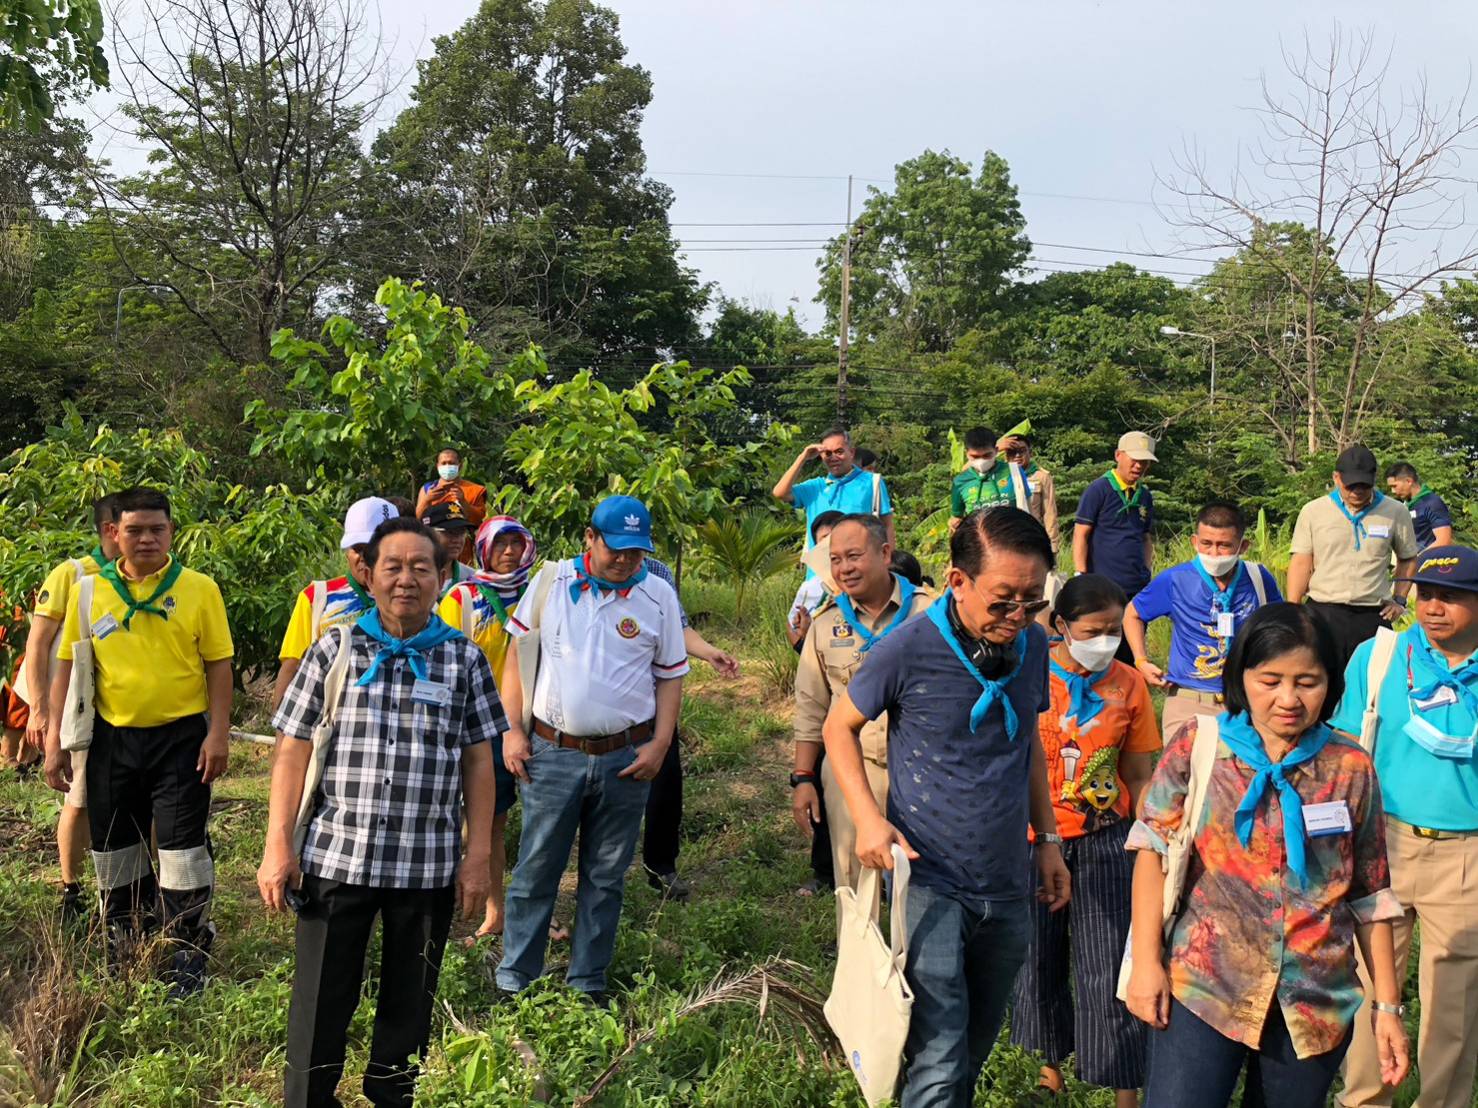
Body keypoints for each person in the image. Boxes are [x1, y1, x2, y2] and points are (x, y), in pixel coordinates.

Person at [823, 506, 1071, 1107]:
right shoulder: (908, 647)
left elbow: (1029, 745)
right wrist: (868, 819)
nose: (1016, 616)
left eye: (1031, 601)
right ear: (957, 581)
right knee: (938, 1052)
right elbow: (838, 727)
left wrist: (1049, 841)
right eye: (1002, 600)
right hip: (930, 878)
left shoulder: (1032, 646)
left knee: (973, 1046)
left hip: (1008, 881)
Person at [1124, 603, 1410, 1107]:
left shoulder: (1350, 765)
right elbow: (1152, 851)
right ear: (1241, 677)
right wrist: (1147, 962)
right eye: (1270, 679)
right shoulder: (1200, 746)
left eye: (1308, 681)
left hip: (1313, 998)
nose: (1288, 699)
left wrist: (1387, 1006)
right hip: (1206, 983)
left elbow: (1370, 892)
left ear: (1331, 682)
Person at [260, 516, 501, 1108]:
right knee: (320, 997)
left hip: (426, 865)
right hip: (338, 855)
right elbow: (291, 750)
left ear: (443, 577)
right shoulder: (334, 648)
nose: (406, 580)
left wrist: (476, 859)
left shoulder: (463, 659)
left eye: (422, 567)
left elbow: (478, 762)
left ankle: (392, 1097)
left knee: (409, 999)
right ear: (368, 576)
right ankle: (310, 1099)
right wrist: (277, 846)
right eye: (392, 567)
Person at [496, 495, 688, 1003]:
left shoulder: (657, 596)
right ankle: (517, 981)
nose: (626, 561)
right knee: (536, 869)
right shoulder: (550, 583)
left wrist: (660, 744)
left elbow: (671, 677)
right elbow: (517, 658)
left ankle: (587, 983)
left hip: (627, 758)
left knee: (605, 877)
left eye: (636, 552)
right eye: (616, 549)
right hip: (552, 752)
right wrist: (513, 730)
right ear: (590, 538)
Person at [44, 487, 234, 996]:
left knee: (181, 848)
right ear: (115, 533)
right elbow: (69, 665)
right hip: (111, 739)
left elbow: (219, 665)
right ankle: (124, 935)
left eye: (157, 529)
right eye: (134, 530)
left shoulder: (199, 589)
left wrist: (218, 733)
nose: (146, 539)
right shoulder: (88, 591)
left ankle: (186, 948)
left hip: (181, 739)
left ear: (171, 532)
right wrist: (55, 740)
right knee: (114, 844)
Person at [1330, 545, 1478, 1108]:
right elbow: (1345, 750)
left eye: (1453, 596)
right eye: (1427, 593)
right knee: (1370, 985)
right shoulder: (1382, 655)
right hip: (1381, 843)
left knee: (1455, 1001)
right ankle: (1362, 1099)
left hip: (1465, 852)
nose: (1435, 607)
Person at [1011, 573, 1158, 1106]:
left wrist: (1150, 837)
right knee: (1039, 958)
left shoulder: (1130, 684)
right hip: (1033, 839)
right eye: (1093, 630)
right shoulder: (1028, 673)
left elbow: (1139, 773)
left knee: (1109, 964)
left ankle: (1124, 1086)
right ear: (1060, 626)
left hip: (1104, 841)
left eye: (1115, 631)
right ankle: (1049, 1071)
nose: (1106, 642)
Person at [792, 514, 932, 903]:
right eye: (835, 560)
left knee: (924, 879)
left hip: (922, 769)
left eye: (853, 556)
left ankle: (918, 963)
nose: (844, 568)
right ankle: (860, 961)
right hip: (851, 769)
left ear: (885, 552)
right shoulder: (826, 624)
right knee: (854, 880)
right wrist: (803, 778)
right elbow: (811, 707)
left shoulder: (932, 614)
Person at [437, 515, 537, 939]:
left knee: (516, 825)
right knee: (471, 822)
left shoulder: (539, 594)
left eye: (516, 543)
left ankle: (511, 910)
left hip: (529, 725)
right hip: (475, 727)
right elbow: (443, 659)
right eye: (501, 545)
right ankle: (476, 905)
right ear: (483, 549)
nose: (510, 552)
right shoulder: (462, 598)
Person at [22, 493, 120, 920]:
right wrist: (41, 712)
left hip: (121, 707)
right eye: (129, 529)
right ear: (108, 530)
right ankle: (71, 890)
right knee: (78, 798)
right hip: (77, 708)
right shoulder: (72, 574)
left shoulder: (135, 578)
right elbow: (38, 645)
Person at [1123, 501, 1282, 739]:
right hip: (1189, 701)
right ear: (1194, 542)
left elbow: (1279, 625)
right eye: (1206, 544)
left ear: (1243, 546)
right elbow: (1132, 614)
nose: (1214, 554)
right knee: (1187, 774)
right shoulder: (1175, 580)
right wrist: (1141, 661)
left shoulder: (1259, 578)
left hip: (1245, 703)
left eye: (1224, 546)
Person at [640, 553, 739, 902]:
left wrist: (709, 652)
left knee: (665, 785)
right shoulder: (573, 579)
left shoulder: (657, 572)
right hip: (603, 707)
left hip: (654, 697)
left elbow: (678, 628)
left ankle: (660, 866)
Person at [1286, 444, 1419, 670]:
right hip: (1323, 613)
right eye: (1351, 485)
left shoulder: (1395, 512)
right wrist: (1292, 611)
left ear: (1374, 479)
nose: (1357, 491)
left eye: (1364, 486)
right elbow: (1301, 562)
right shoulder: (1313, 511)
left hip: (1372, 615)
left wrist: (1399, 600)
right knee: (1320, 682)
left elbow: (1408, 557)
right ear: (1336, 478)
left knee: (1372, 687)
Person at [273, 496, 397, 710]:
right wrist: (281, 736)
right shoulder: (317, 597)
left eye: (376, 547)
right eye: (358, 548)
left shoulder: (415, 600)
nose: (366, 556)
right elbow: (292, 666)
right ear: (346, 551)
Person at [1073, 433, 1157, 642]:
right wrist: (1081, 574)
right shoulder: (1098, 490)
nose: (1139, 466)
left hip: (1136, 585)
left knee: (1133, 643)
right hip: (1104, 584)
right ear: (1118, 455)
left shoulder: (1144, 495)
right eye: (1135, 460)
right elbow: (1081, 533)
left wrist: (1147, 570)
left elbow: (1145, 537)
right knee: (1105, 641)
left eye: (1144, 462)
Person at [772, 427, 895, 552]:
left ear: (851, 452)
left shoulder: (871, 482)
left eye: (839, 451)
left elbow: (887, 524)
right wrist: (803, 457)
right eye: (828, 453)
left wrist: (889, 560)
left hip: (857, 566)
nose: (833, 458)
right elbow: (779, 493)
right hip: (818, 569)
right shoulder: (815, 487)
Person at [948, 425, 1030, 533]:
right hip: (980, 544)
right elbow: (956, 518)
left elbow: (1027, 506)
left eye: (987, 455)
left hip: (1013, 539)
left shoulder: (1014, 472)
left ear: (996, 451)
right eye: (975, 456)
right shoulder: (960, 482)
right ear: (966, 454)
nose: (981, 461)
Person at [414, 447, 487, 564]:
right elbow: (417, 520)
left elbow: (478, 520)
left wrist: (463, 501)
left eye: (451, 463)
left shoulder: (474, 490)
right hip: (432, 551)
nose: (447, 466)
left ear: (460, 465)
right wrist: (427, 500)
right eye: (444, 463)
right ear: (437, 466)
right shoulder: (428, 489)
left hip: (462, 552)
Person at [788, 511, 846, 650]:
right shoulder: (809, 588)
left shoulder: (865, 581)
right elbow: (791, 626)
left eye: (837, 536)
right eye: (825, 539)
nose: (831, 543)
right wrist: (804, 643)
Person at [1000, 430, 1059, 553]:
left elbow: (1049, 513)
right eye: (1012, 452)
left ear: (1030, 453)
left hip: (1031, 537)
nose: (1017, 456)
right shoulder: (999, 476)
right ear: (1005, 455)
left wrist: (1052, 545)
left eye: (1021, 451)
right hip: (1004, 538)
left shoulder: (1041, 477)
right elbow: (967, 470)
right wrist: (996, 448)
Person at [1383, 461, 1454, 550]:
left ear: (1409, 481)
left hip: (1429, 562)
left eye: (1394, 486)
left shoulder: (1432, 503)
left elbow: (1444, 541)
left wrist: (1416, 558)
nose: (1393, 491)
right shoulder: (1406, 505)